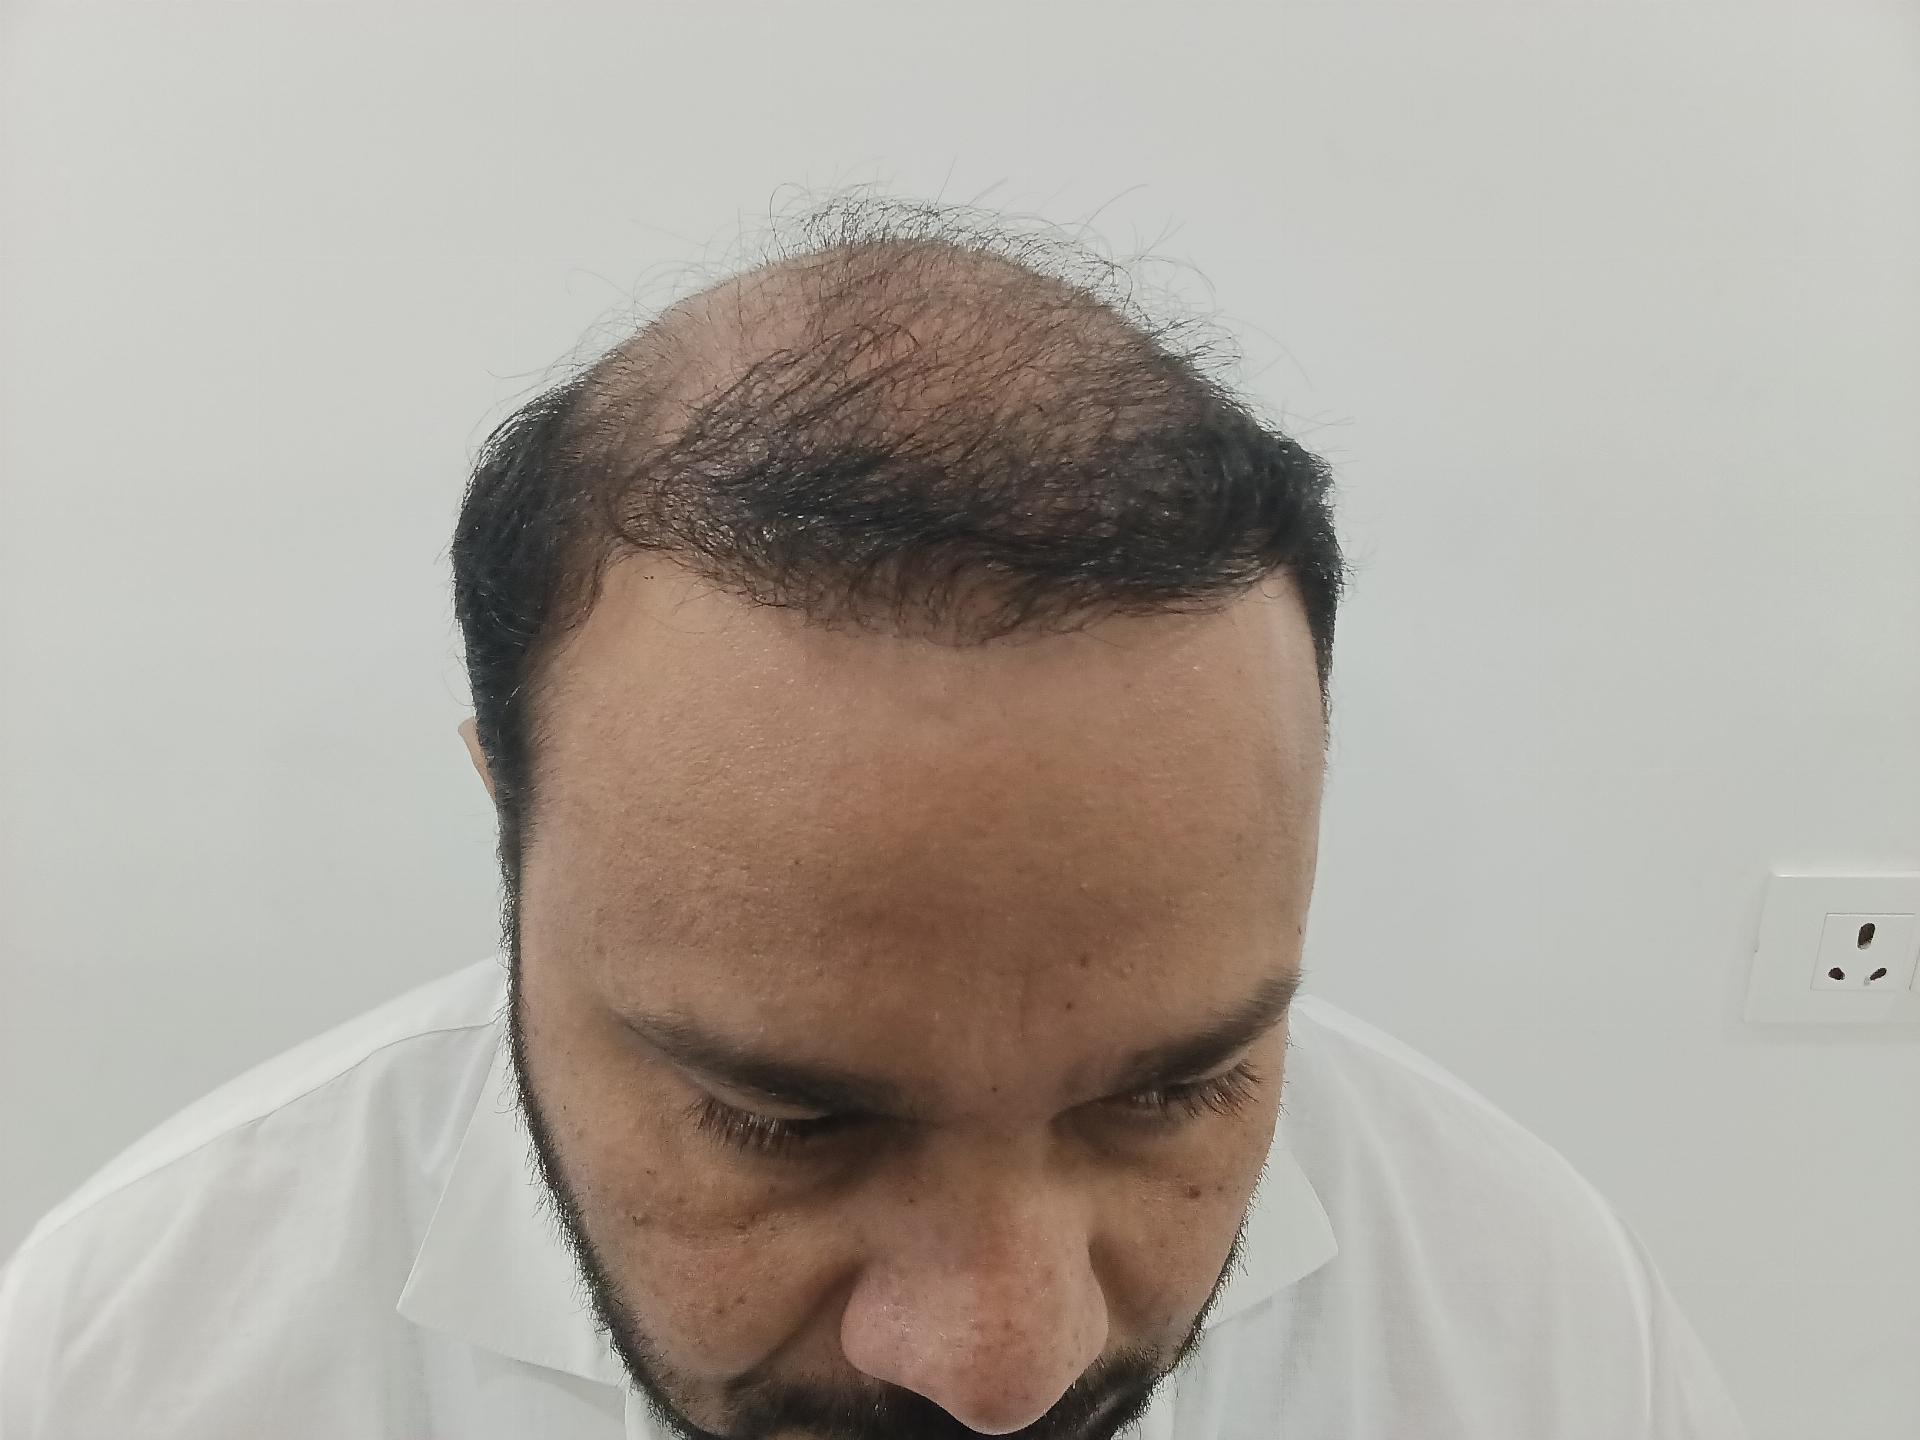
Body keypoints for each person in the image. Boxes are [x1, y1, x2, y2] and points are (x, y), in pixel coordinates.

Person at [0, 201, 1752, 1439]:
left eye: (1173, 1091)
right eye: (785, 1121)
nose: (1002, 1369)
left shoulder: (1533, 1328)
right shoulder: (131, 1364)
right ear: (507, 832)